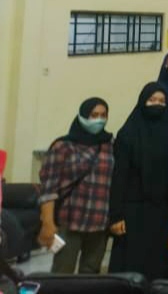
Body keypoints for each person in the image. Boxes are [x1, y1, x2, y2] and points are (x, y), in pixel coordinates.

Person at [38, 98, 113, 274]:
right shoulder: (62, 146)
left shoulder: (110, 145)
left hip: (100, 223)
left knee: (91, 275)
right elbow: (48, 189)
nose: (99, 120)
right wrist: (48, 223)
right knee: (62, 273)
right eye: (94, 115)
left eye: (103, 115)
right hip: (70, 221)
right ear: (82, 116)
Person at [108, 83, 168, 280]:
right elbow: (119, 176)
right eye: (152, 100)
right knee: (131, 267)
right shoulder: (127, 134)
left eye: (162, 101)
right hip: (133, 212)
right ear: (142, 102)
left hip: (163, 212)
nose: (157, 104)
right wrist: (116, 215)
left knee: (159, 265)